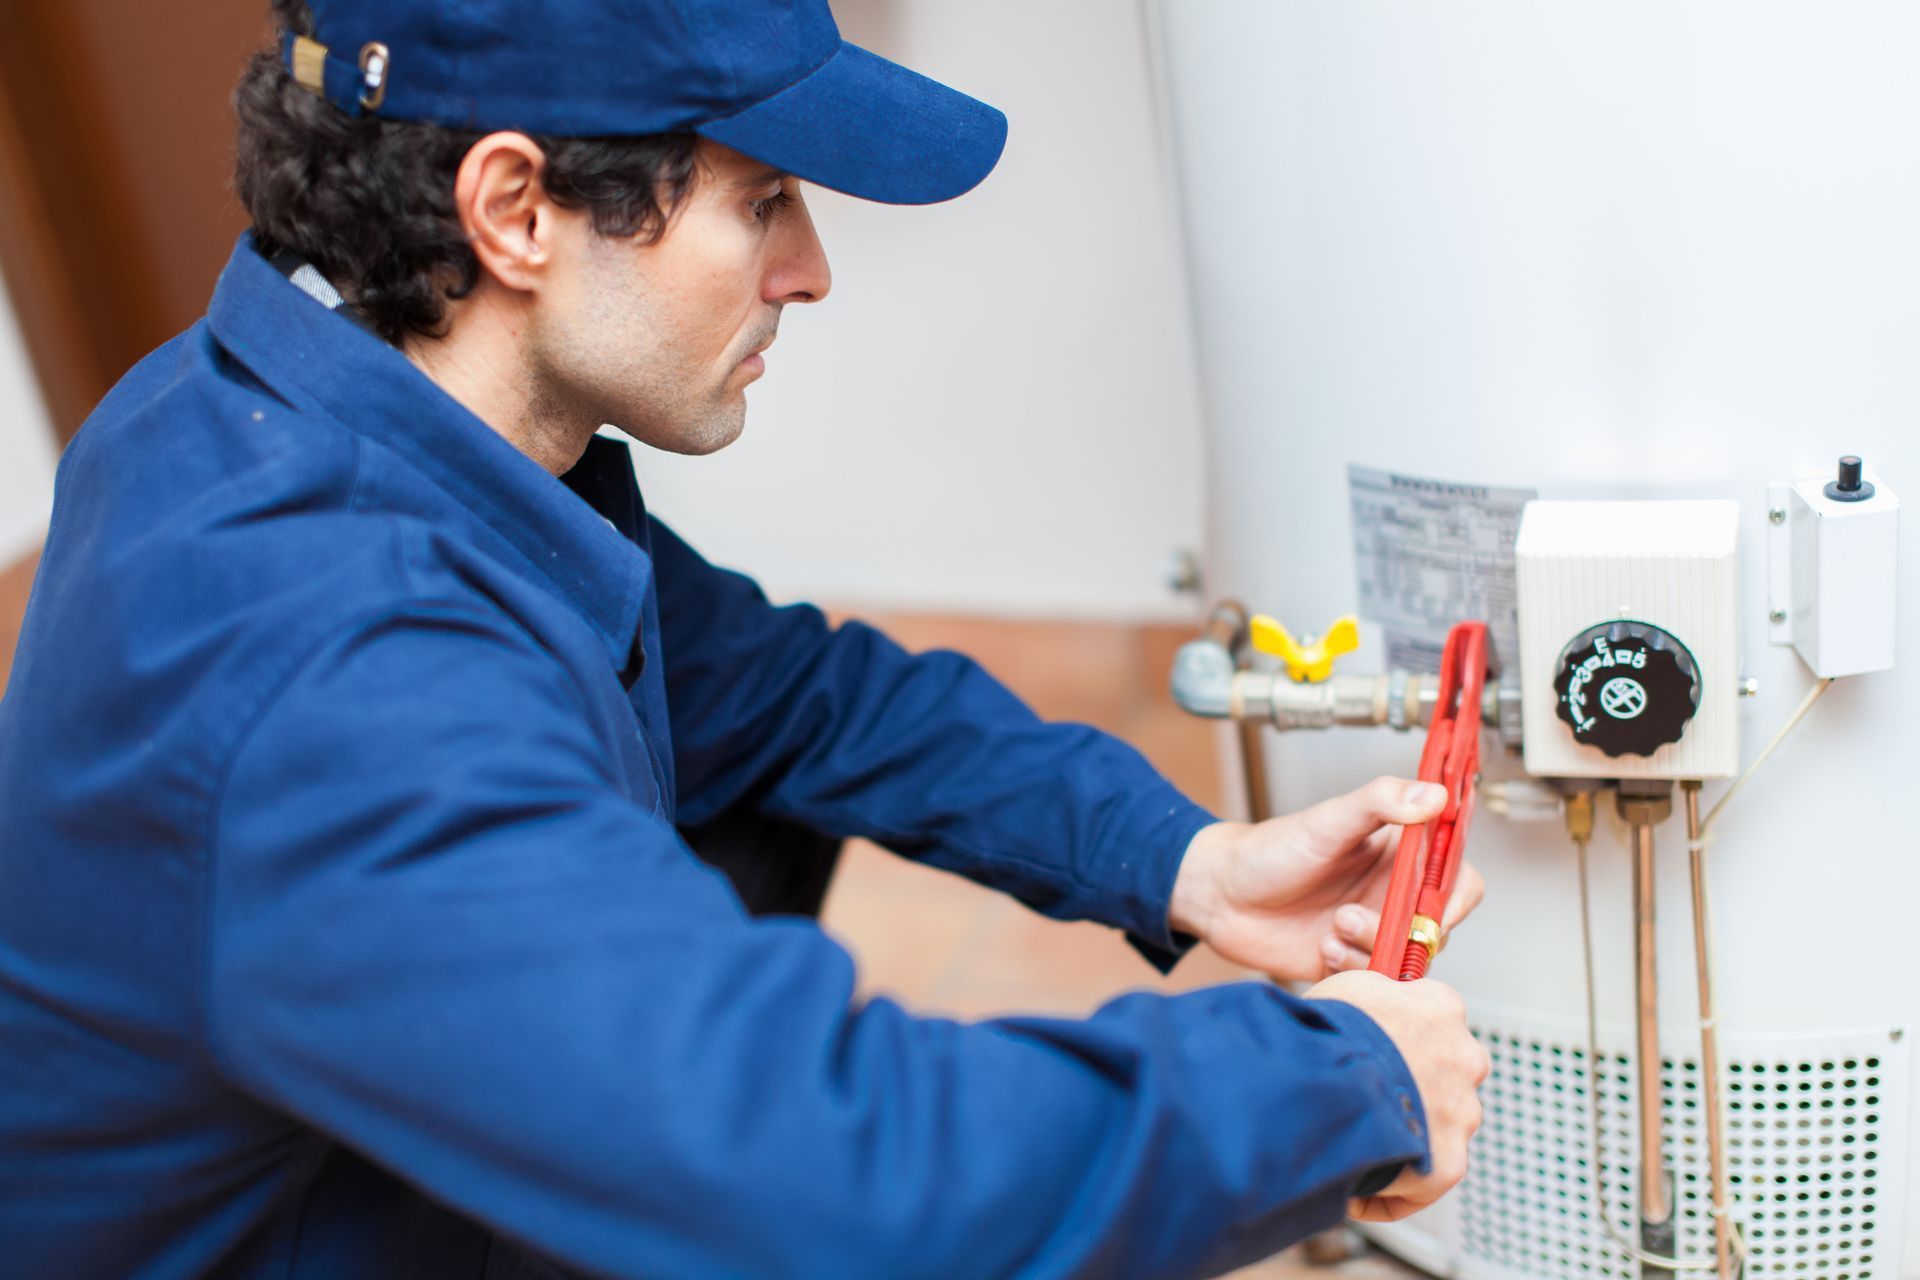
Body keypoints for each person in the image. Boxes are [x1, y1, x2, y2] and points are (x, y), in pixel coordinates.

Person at [0, 1, 1491, 1275]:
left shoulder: (295, 401)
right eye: (761, 196)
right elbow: (840, 1182)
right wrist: (1337, 1090)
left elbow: (793, 697)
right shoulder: (335, 681)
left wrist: (1183, 862)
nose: (810, 268)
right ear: (516, 211)